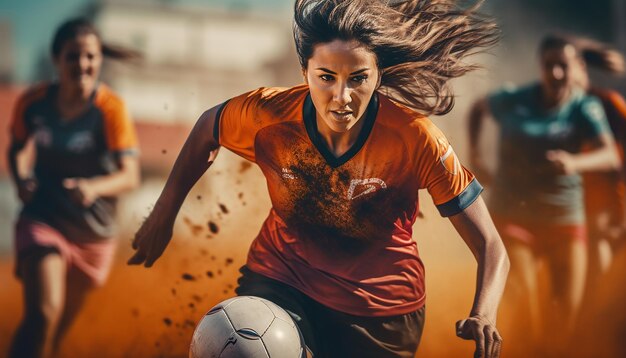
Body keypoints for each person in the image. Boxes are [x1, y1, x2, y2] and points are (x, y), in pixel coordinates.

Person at [130, 1, 509, 357]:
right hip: (280, 279)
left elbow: (491, 246)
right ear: (305, 74)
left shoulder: (416, 138)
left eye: (358, 78)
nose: (341, 96)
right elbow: (206, 129)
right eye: (326, 77)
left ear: (378, 76)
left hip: (380, 316)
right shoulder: (269, 114)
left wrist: (484, 315)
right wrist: (164, 214)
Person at [468, 34, 621, 355]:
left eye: (562, 66)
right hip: (513, 216)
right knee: (527, 314)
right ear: (540, 67)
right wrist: (475, 155)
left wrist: (575, 162)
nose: (555, 75)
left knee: (564, 324)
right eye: (549, 66)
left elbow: (611, 156)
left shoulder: (586, 107)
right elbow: (477, 109)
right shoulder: (514, 98)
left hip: (565, 221)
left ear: (575, 68)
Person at [7, 18, 140, 358]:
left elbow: (130, 176)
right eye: (72, 57)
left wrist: (93, 187)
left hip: (93, 234)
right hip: (44, 219)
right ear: (56, 60)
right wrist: (20, 178)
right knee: (44, 314)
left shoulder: (110, 110)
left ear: (98, 60)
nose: (82, 65)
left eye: (90, 57)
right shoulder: (33, 103)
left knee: (52, 334)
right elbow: (16, 147)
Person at [569, 35, 626, 296]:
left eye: (567, 65)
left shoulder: (609, 104)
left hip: (608, 210)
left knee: (602, 288)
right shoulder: (555, 108)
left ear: (580, 67)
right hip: (570, 211)